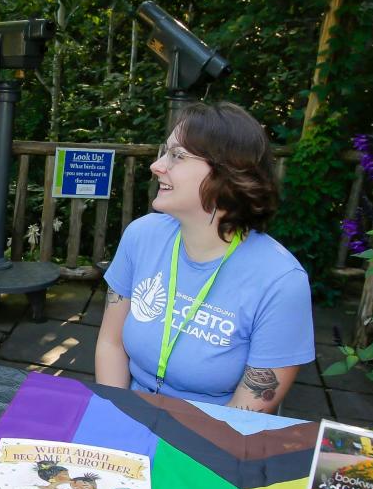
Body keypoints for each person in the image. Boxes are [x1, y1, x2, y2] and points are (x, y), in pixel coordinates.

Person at [95, 101, 313, 413]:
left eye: (177, 156)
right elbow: (111, 344)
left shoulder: (281, 282)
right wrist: (116, 418)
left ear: (227, 173)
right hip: (130, 413)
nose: (157, 166)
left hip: (212, 437)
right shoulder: (141, 236)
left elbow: (247, 409)